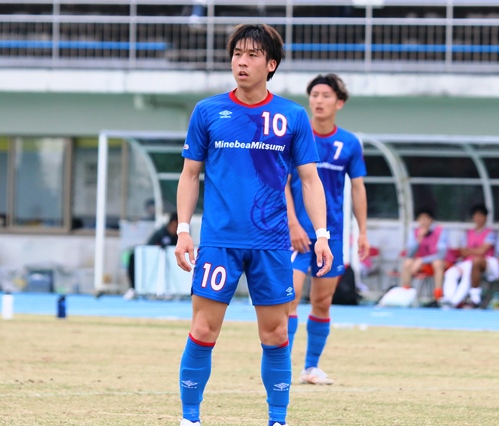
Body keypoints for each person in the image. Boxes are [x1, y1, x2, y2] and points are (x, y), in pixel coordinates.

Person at [173, 24, 332, 426]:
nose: (241, 62)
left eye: (252, 55)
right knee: (203, 329)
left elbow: (310, 180)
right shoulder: (207, 111)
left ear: (271, 64)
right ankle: (189, 419)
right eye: (237, 54)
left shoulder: (292, 116)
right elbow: (190, 175)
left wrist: (322, 235)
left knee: (276, 334)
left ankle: (277, 419)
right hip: (219, 241)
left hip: (272, 243)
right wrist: (183, 230)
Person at [285, 73, 368, 386]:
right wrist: (292, 223)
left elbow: (358, 188)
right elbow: (282, 182)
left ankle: (311, 368)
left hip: (330, 235)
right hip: (296, 234)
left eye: (326, 96)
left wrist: (362, 231)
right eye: (314, 95)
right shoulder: (295, 136)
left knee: (321, 302)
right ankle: (282, 366)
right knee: (289, 297)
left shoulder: (349, 143)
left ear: (339, 103)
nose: (318, 101)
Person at [441, 204, 495, 309]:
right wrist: (476, 251)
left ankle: (454, 301)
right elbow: (462, 252)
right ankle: (448, 298)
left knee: (468, 274)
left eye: (481, 215)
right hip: (466, 263)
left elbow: (482, 251)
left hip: (482, 264)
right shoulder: (467, 233)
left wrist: (470, 251)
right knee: (450, 273)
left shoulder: (490, 233)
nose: (478, 218)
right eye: (476, 215)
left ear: (486, 217)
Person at [124, 212, 178, 300]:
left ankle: (170, 290)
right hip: (155, 264)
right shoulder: (160, 233)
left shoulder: (181, 236)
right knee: (133, 256)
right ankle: (133, 288)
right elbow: (149, 247)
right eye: (175, 227)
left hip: (172, 265)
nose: (175, 230)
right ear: (171, 224)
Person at [399, 207, 448, 302]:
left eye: (426, 218)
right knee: (407, 262)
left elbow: (441, 254)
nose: (423, 221)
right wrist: (419, 239)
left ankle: (438, 296)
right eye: (421, 219)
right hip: (420, 264)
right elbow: (409, 254)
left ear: (431, 219)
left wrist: (422, 260)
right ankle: (406, 293)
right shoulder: (415, 232)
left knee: (437, 263)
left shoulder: (441, 230)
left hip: (439, 263)